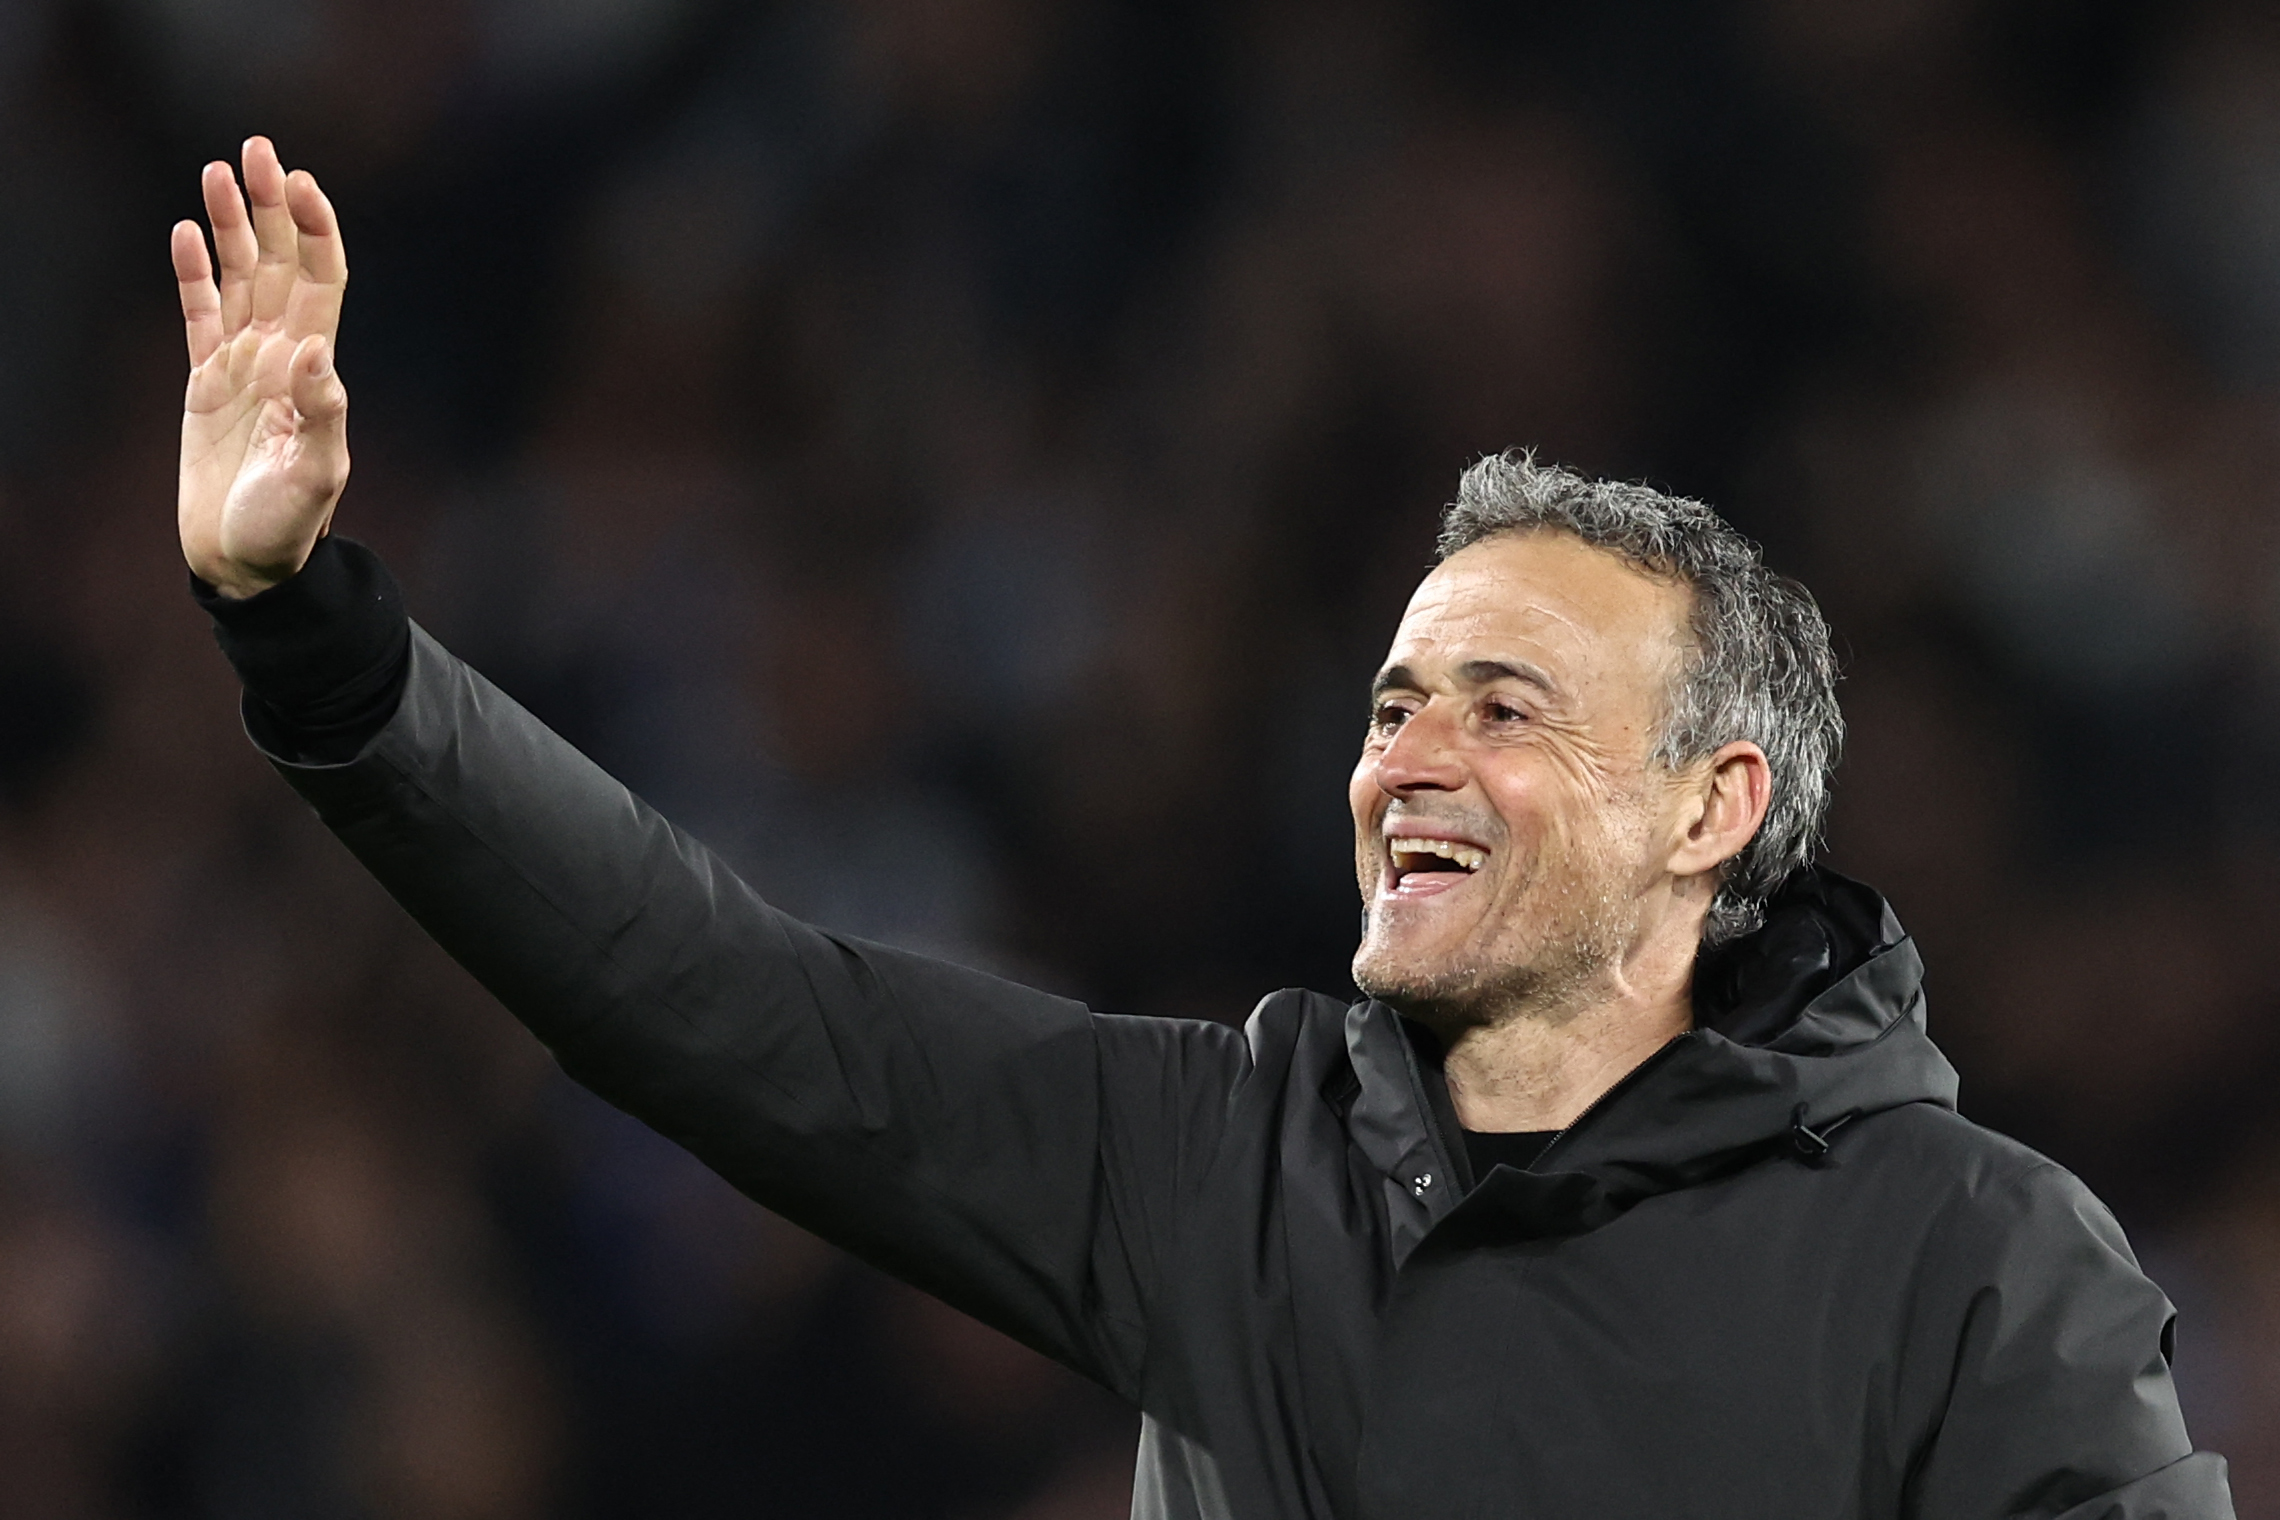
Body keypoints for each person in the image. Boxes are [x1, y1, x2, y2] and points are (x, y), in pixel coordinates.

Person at [173, 138, 2233, 1519]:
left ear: (1715, 805)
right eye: (1392, 703)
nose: (1407, 757)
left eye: (1503, 706)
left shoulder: (1974, 1259)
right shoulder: (1227, 1168)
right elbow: (714, 994)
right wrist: (321, 645)